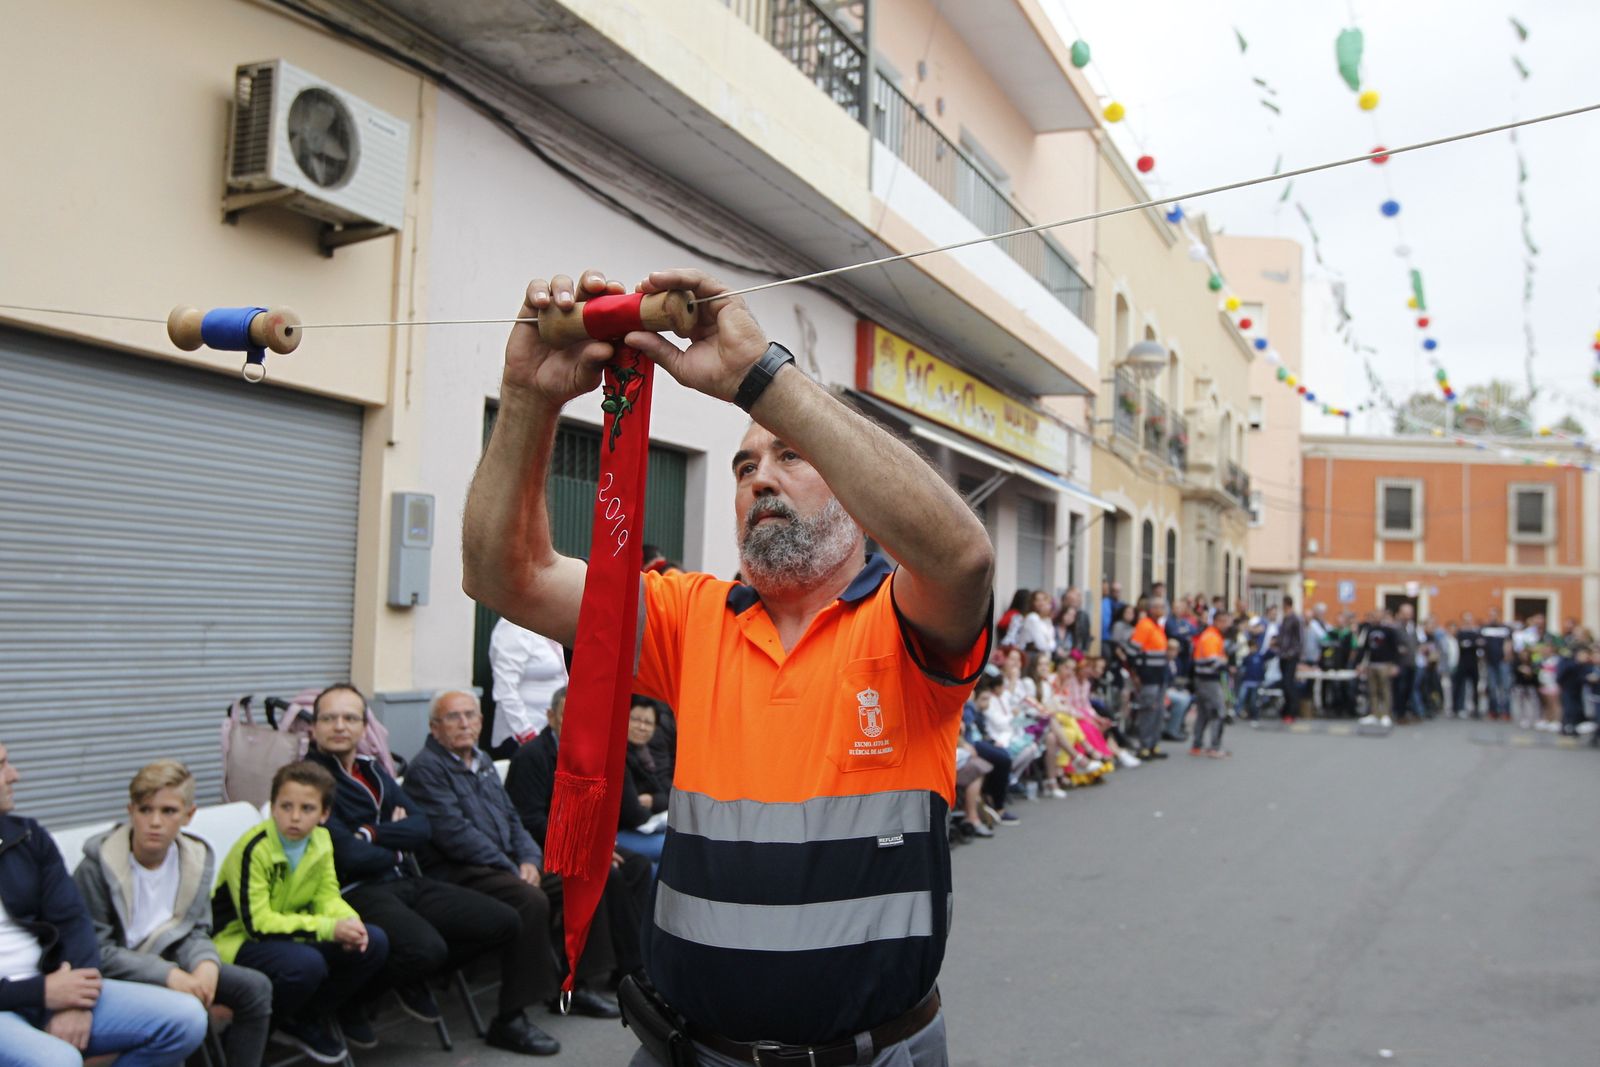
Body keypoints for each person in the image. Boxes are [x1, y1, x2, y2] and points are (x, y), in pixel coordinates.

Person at [462, 267, 993, 1064]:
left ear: (857, 493)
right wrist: (529, 396)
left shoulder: (906, 623)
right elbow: (506, 577)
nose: (761, 476)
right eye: (745, 467)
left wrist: (761, 380)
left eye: (792, 454)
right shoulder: (691, 616)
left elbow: (963, 557)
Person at [302, 684, 523, 1050]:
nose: (340, 726)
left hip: (403, 880)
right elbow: (346, 856)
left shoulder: (371, 769)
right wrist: (394, 843)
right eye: (329, 718)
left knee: (503, 920)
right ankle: (350, 1001)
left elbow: (421, 827)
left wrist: (370, 833)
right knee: (426, 949)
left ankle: (403, 978)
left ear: (363, 726)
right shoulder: (308, 779)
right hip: (353, 892)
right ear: (315, 727)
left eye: (350, 718)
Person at [405, 689, 620, 1051]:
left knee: (583, 874)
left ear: (481, 722)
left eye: (470, 715)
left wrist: (528, 860)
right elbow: (456, 836)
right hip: (458, 871)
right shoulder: (427, 769)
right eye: (453, 717)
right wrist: (512, 867)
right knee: (529, 899)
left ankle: (574, 986)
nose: (464, 724)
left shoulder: (483, 761)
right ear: (434, 727)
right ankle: (510, 1018)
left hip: (504, 863)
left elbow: (512, 818)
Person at [0, 743, 208, 1067]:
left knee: (186, 1019)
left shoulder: (26, 837)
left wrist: (75, 999)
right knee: (59, 1060)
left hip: (56, 985)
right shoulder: (99, 864)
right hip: (13, 1001)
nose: (15, 775)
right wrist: (41, 992)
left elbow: (73, 920)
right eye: (2, 766)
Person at [74, 760, 273, 1067]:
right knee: (184, 1005)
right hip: (123, 973)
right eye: (145, 810)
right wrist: (168, 976)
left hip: (173, 958)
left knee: (254, 988)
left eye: (168, 811)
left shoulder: (194, 859)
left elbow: (195, 928)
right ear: (130, 811)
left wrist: (205, 963)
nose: (155, 822)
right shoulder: (97, 867)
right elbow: (98, 951)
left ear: (189, 815)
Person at [213, 761, 389, 1064]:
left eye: (307, 809)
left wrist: (350, 922)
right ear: (273, 807)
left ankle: (300, 1019)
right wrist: (328, 929)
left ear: (324, 814)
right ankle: (246, 1038)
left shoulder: (320, 840)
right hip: (238, 941)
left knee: (372, 942)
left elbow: (327, 895)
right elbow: (257, 924)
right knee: (306, 965)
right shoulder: (255, 848)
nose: (294, 817)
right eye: (285, 806)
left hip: (291, 933)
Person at [504, 688, 655, 986]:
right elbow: (530, 820)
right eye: (567, 716)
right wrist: (584, 847)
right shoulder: (531, 757)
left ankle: (628, 962)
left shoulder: (587, 752)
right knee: (604, 873)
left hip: (578, 841)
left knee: (636, 864)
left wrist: (596, 842)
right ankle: (624, 970)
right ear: (551, 717)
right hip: (543, 846)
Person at [488, 616, 569, 754]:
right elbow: (505, 689)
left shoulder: (548, 624)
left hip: (551, 733)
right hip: (522, 734)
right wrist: (526, 733)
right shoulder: (513, 627)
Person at [1126, 596, 1172, 759]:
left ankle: (1154, 744)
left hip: (1160, 675)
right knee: (1148, 709)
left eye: (1163, 607)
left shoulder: (1158, 626)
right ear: (1151, 609)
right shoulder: (1144, 626)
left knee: (1159, 711)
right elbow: (1132, 652)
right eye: (1158, 607)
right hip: (1148, 675)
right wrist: (1136, 674)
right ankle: (1144, 745)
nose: (1162, 610)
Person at [1191, 611, 1231, 758]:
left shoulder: (1211, 636)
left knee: (1203, 713)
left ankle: (1197, 745)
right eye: (1225, 621)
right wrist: (1225, 662)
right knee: (1218, 711)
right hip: (1208, 680)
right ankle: (1215, 747)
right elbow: (1213, 662)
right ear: (1218, 621)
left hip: (1202, 679)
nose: (1227, 625)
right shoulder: (1211, 637)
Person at [1354, 611, 1401, 727]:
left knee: (1385, 690)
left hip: (1385, 664)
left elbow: (1395, 649)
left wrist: (1395, 665)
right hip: (1372, 664)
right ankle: (1374, 714)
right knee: (1372, 690)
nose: (1375, 618)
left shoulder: (1389, 631)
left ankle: (1385, 714)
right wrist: (1359, 663)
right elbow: (1364, 648)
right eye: (1374, 616)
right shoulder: (1369, 631)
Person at [1480, 609, 1513, 720]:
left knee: (1505, 687)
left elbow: (1509, 643)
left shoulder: (1505, 629)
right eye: (1490, 615)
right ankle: (1493, 710)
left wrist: (1507, 656)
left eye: (1494, 615)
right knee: (1492, 687)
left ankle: (1506, 711)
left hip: (1502, 661)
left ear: (1499, 615)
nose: (1492, 617)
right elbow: (1482, 644)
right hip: (1490, 662)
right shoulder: (1485, 629)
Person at [1452, 613, 1483, 718]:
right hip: (1462, 663)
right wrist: (1473, 644)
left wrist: (1470, 644)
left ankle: (1475, 708)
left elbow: (1479, 644)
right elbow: (1462, 645)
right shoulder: (1460, 632)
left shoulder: (1475, 632)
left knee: (1475, 687)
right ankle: (1456, 708)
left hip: (1473, 663)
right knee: (1459, 686)